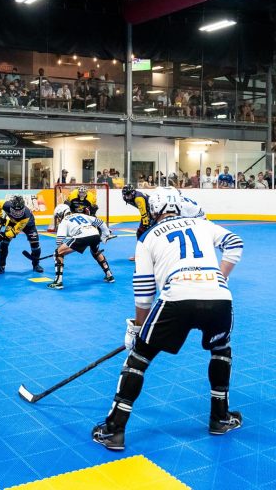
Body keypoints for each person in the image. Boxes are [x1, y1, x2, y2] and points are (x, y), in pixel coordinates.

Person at [91, 189, 244, 451]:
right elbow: (235, 242)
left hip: (176, 299)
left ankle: (114, 430)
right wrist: (221, 275)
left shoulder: (148, 237)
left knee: (139, 359)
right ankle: (220, 418)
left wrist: (138, 328)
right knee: (221, 350)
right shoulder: (202, 223)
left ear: (153, 211)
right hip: (219, 298)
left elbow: (144, 291)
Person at [49, 209, 114, 290]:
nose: (58, 219)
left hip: (81, 237)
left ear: (61, 214)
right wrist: (105, 235)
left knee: (57, 253)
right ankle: (109, 275)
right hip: (95, 234)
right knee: (95, 252)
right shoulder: (81, 215)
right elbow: (100, 222)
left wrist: (63, 249)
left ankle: (58, 282)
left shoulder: (64, 221)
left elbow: (59, 240)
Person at [0, 195, 43, 274]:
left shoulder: (26, 215)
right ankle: (1, 266)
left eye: (20, 211)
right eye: (15, 211)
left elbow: (14, 232)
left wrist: (2, 236)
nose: (17, 213)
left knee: (35, 243)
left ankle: (36, 265)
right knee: (4, 243)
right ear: (11, 207)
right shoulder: (6, 205)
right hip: (13, 222)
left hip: (28, 225)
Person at [122, 184, 151, 262]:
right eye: (125, 195)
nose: (126, 197)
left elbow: (144, 214)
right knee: (141, 233)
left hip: (153, 213)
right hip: (149, 212)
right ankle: (140, 254)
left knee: (143, 234)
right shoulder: (128, 197)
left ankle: (143, 255)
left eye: (128, 194)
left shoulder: (138, 199)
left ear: (132, 193)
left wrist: (146, 224)